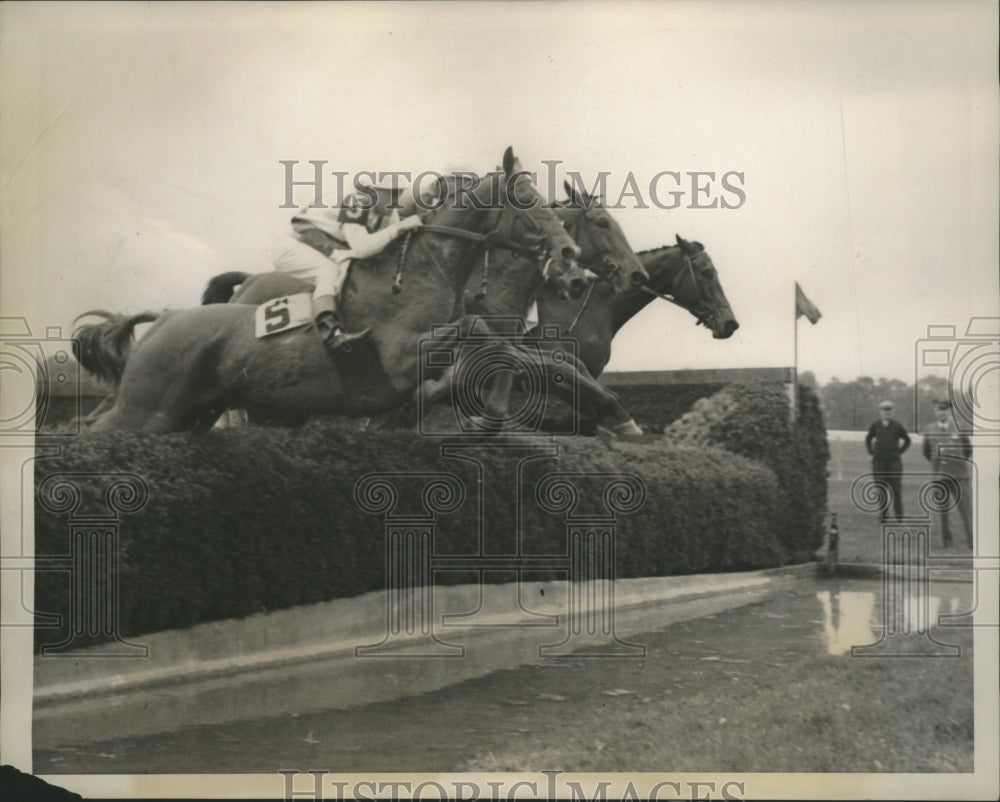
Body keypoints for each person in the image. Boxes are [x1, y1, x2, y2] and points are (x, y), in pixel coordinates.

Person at [270, 175, 423, 357]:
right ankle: (329, 332)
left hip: (320, 243)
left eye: (399, 193)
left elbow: (392, 244)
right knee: (328, 271)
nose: (396, 201)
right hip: (294, 245)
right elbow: (362, 248)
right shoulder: (356, 201)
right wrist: (397, 229)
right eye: (391, 194)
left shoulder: (387, 210)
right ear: (372, 192)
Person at [922, 400, 973, 547]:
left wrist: (956, 463)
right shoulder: (929, 430)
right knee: (943, 511)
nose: (941, 413)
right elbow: (927, 452)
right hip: (940, 476)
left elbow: (967, 450)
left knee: (965, 510)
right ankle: (946, 541)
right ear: (935, 412)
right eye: (938, 410)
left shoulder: (959, 428)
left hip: (959, 476)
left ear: (949, 412)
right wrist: (937, 465)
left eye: (944, 410)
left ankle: (972, 542)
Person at [865, 400, 911, 520]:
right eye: (884, 411)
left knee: (896, 488)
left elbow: (907, 440)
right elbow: (868, 439)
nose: (887, 413)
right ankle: (884, 515)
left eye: (889, 411)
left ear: (892, 412)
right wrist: (871, 453)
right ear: (880, 412)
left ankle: (899, 516)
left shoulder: (897, 425)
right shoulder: (875, 425)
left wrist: (899, 452)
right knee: (880, 488)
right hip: (879, 462)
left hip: (893, 463)